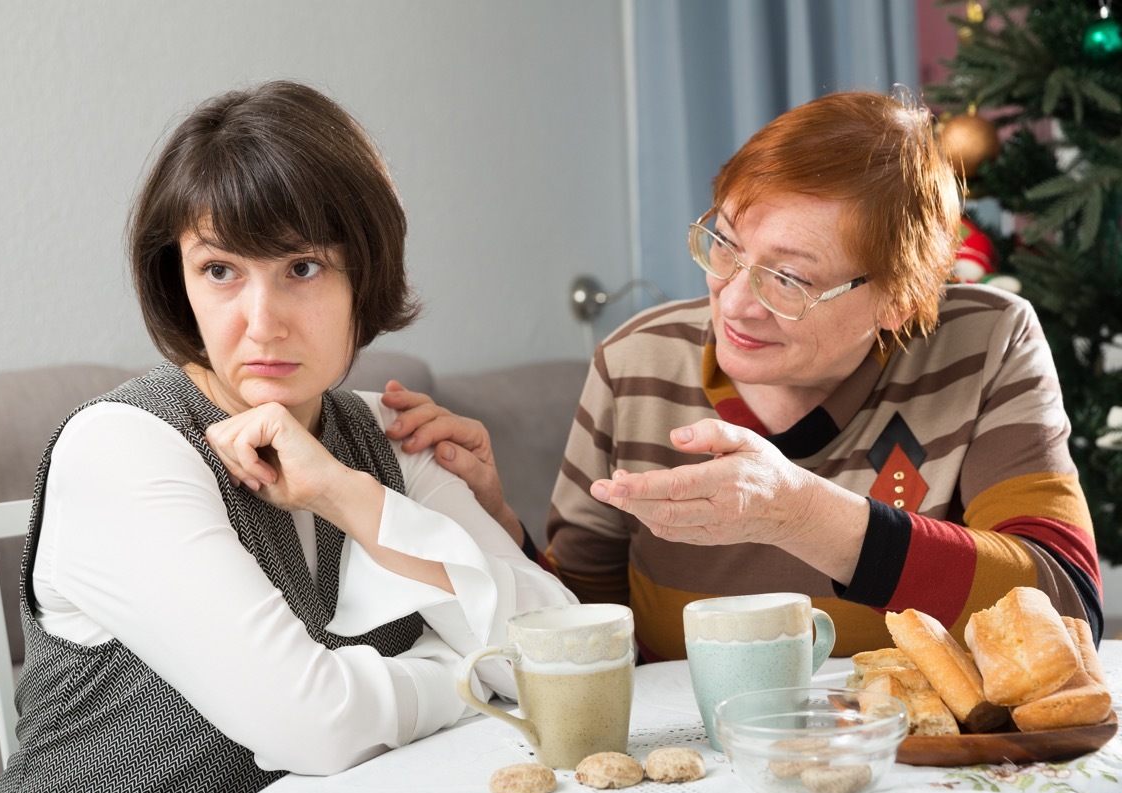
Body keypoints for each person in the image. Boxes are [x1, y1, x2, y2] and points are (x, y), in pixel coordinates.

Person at [0, 80, 575, 793]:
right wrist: (459, 671)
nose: (262, 323)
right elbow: (314, 725)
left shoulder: (385, 433)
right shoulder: (122, 452)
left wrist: (346, 492)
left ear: (367, 274)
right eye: (220, 271)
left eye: (302, 268)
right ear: (179, 282)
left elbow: (569, 662)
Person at [383, 89, 1102, 663]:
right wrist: (493, 522)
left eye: (789, 278)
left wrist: (802, 514)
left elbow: (1066, 606)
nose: (731, 300)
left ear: (898, 299)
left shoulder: (986, 344)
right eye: (724, 243)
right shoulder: (635, 364)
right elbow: (585, 625)